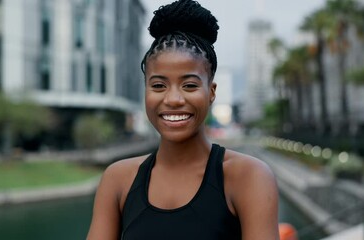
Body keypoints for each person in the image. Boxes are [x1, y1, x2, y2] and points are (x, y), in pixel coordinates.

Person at [87, 0, 279, 239]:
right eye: (158, 85)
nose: (174, 99)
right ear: (145, 91)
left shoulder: (248, 176)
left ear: (211, 92)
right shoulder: (117, 179)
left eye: (189, 85)